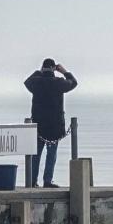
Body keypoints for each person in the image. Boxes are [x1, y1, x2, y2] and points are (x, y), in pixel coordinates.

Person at [24, 58, 78, 187]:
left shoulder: (36, 82)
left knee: (36, 154)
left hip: (38, 125)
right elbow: (74, 83)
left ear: (43, 68)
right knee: (51, 155)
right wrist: (64, 72)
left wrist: (39, 72)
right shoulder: (59, 83)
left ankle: (32, 181)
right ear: (54, 68)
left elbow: (27, 82)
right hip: (55, 125)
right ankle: (47, 181)